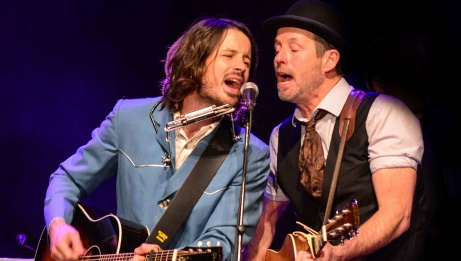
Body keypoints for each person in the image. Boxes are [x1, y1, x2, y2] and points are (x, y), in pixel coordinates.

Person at [43, 17, 270, 261]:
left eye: (246, 61)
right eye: (229, 55)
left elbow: (223, 240)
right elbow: (67, 179)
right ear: (195, 58)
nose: (241, 68)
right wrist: (58, 225)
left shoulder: (249, 153)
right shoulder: (128, 119)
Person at [242, 0, 423, 260]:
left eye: (294, 49)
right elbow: (268, 217)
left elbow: (396, 215)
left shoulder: (383, 114)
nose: (279, 58)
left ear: (329, 60)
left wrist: (334, 255)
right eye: (277, 49)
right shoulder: (281, 136)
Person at [365, 30, 460, 259]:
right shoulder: (363, 141)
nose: (418, 74)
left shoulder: (449, 127)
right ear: (379, 84)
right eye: (405, 67)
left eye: (421, 65)